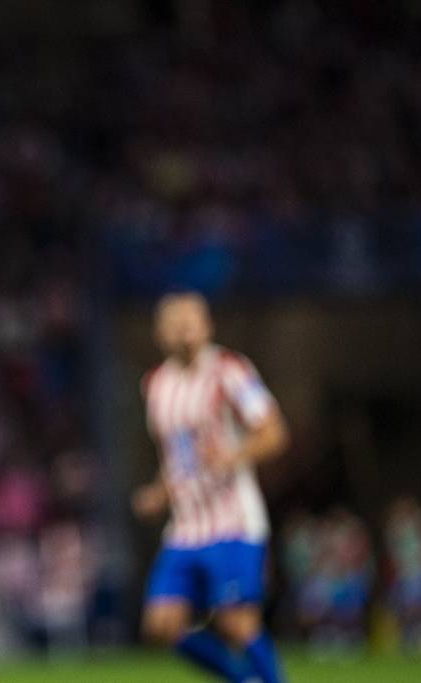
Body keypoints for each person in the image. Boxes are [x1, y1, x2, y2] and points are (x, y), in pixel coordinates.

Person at [132, 292, 290, 683]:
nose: (184, 331)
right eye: (175, 324)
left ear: (208, 326)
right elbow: (176, 458)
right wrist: (159, 493)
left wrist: (234, 455)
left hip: (233, 520)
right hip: (186, 527)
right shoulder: (156, 385)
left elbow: (274, 432)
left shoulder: (229, 371)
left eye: (192, 322)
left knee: (237, 623)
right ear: (159, 333)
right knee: (161, 625)